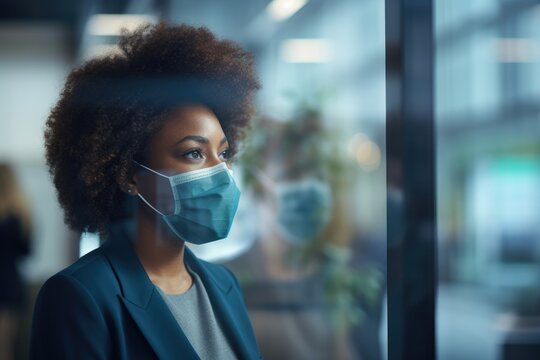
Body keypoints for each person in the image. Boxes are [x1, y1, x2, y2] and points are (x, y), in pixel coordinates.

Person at [29, 22, 261, 360]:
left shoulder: (225, 285)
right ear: (129, 174)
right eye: (193, 153)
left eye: (223, 153)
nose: (220, 171)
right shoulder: (80, 295)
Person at [0, 163, 32, 360]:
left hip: (5, 286)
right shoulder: (21, 216)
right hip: (12, 285)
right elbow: (27, 252)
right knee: (5, 347)